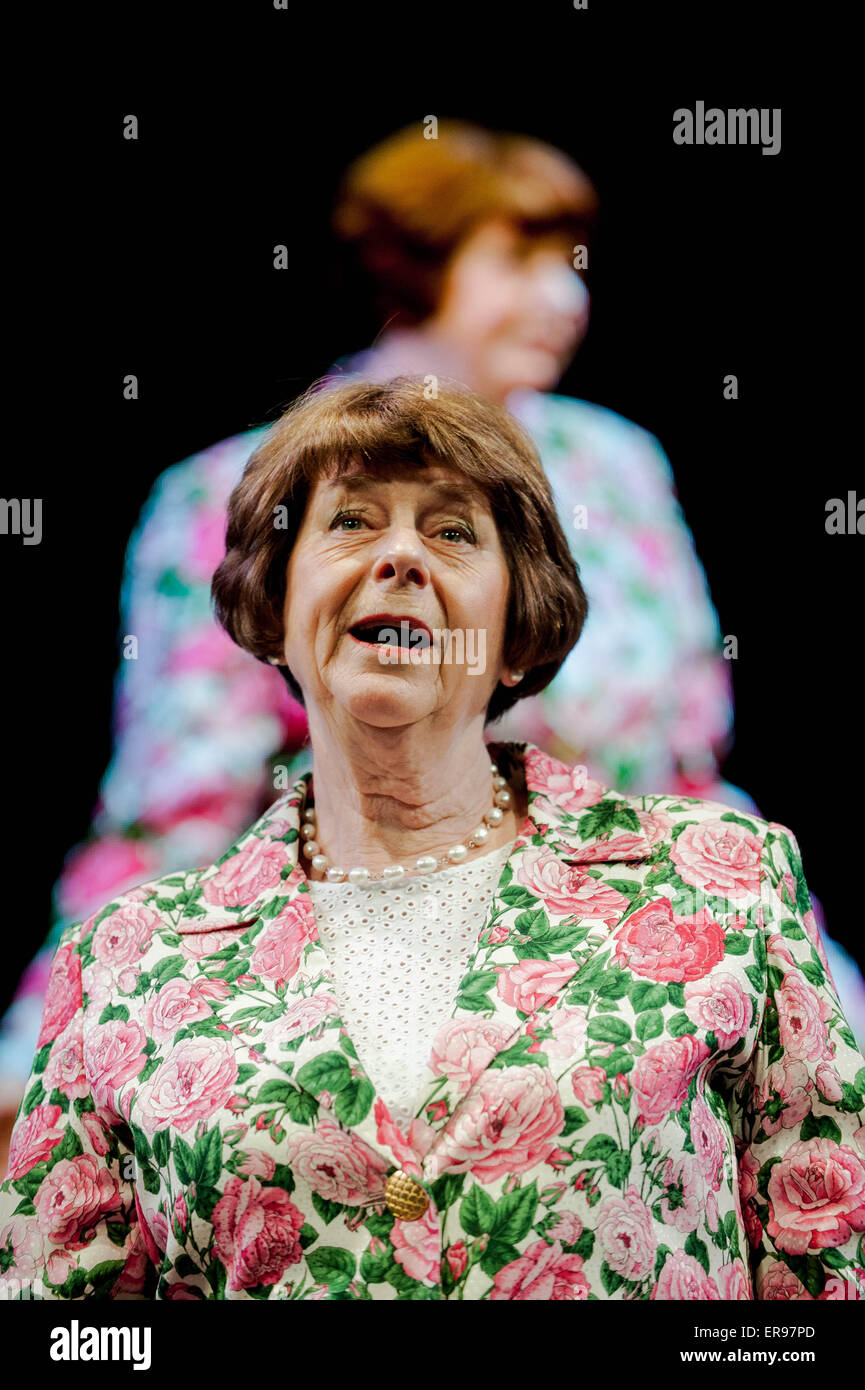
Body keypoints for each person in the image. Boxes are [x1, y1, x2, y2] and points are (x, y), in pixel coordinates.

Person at [3, 120, 863, 1172]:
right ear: (416, 269)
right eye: (519, 259)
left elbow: (685, 764)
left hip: (648, 963)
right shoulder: (242, 491)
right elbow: (176, 804)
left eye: (571, 264)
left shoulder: (614, 465)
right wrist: (38, 1057)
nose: (565, 299)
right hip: (366, 971)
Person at [0, 376, 862, 1302]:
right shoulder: (125, 963)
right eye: (352, 523)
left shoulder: (719, 881)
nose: (401, 555)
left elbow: (825, 1279)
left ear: (516, 632)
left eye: (452, 532)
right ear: (274, 611)